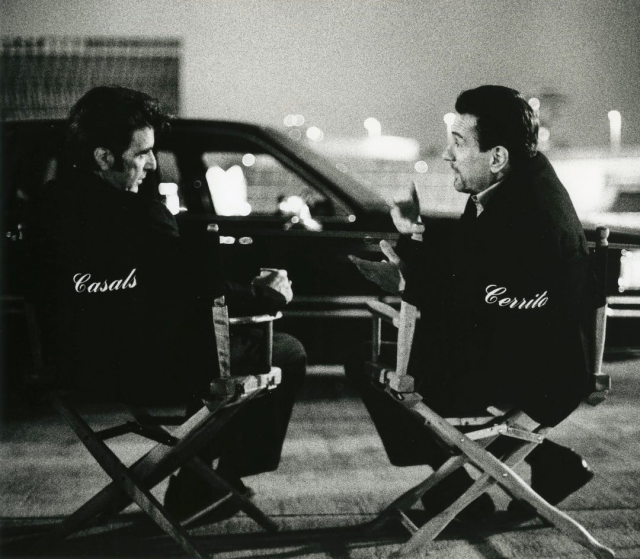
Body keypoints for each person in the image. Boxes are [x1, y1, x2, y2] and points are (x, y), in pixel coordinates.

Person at [27, 85, 306, 521]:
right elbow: (201, 290)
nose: (153, 164)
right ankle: (211, 480)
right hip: (142, 370)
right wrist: (260, 291)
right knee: (282, 350)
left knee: (212, 351)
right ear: (104, 157)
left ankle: (198, 482)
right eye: (142, 153)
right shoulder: (141, 215)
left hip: (66, 366)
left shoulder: (43, 209)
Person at [347, 85, 598, 521]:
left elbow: (481, 298)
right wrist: (415, 239)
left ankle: (460, 497)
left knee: (376, 368)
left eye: (459, 143)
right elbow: (471, 267)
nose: (447, 155)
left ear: (497, 157)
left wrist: (409, 279)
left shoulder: (525, 215)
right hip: (533, 354)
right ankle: (541, 466)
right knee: (388, 361)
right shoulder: (517, 190)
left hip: (537, 372)